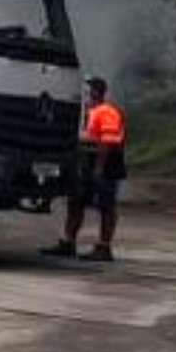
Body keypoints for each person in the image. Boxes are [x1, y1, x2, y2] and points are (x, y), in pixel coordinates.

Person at [41, 76, 126, 262]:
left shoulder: (107, 112)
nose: (85, 93)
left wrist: (99, 167)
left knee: (106, 206)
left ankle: (104, 247)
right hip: (85, 163)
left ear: (97, 91)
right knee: (76, 202)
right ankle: (68, 242)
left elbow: (107, 143)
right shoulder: (86, 111)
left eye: (88, 90)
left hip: (106, 164)